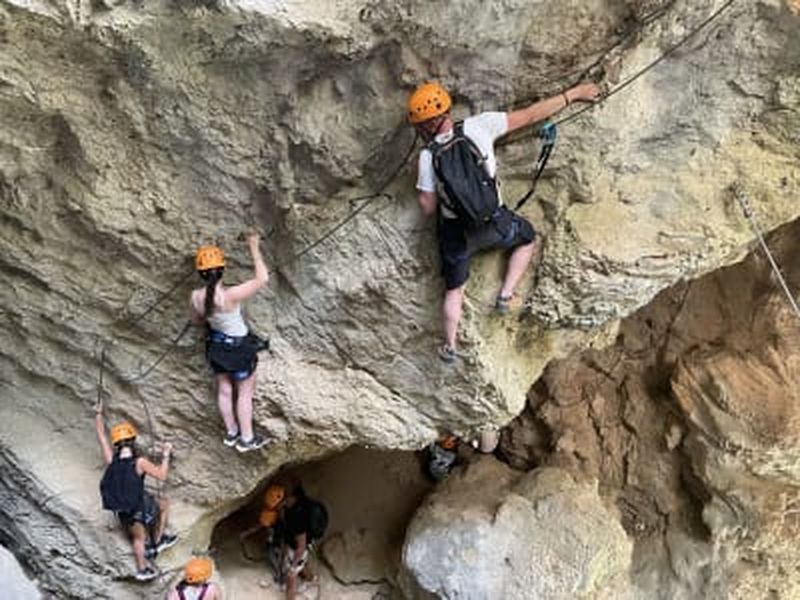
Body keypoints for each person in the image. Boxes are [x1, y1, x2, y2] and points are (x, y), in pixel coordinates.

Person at [408, 80, 601, 362]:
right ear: (448, 108)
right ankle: (505, 294)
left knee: (454, 290)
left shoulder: (427, 157)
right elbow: (532, 115)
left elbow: (427, 207)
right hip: (495, 223)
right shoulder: (479, 126)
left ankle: (449, 346)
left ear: (422, 125)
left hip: (458, 234)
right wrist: (575, 94)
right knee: (527, 237)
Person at [190, 233, 269, 453]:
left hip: (215, 348)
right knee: (244, 394)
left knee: (224, 390)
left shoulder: (196, 296)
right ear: (222, 270)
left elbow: (196, 320)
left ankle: (232, 432)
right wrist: (254, 246)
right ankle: (247, 439)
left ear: (201, 273)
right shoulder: (230, 295)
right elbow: (262, 279)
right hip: (238, 349)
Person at [95, 410, 177, 581]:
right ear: (132, 441)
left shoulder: (112, 460)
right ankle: (159, 540)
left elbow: (102, 437)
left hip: (123, 510)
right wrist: (166, 455)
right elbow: (161, 475)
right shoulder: (139, 462)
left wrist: (98, 415)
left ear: (116, 444)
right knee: (163, 505)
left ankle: (142, 570)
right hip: (137, 506)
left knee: (138, 538)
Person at [263, 483, 328, 600]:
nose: (276, 510)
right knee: (301, 564)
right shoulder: (296, 498)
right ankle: (311, 579)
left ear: (283, 501)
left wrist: (293, 567)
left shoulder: (297, 518)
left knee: (291, 578)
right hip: (300, 542)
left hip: (300, 547)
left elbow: (301, 546)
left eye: (276, 507)